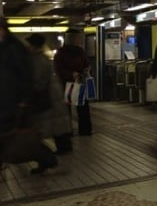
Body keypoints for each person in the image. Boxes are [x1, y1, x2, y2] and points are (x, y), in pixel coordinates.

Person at [0, 18, 58, 174]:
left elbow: (26, 75)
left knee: (20, 135)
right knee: (14, 134)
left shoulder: (14, 48)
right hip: (7, 99)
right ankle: (47, 158)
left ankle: (47, 158)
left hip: (15, 101)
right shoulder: (6, 46)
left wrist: (25, 99)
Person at [26, 33, 73, 155]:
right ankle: (65, 147)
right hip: (54, 95)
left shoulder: (37, 59)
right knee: (58, 124)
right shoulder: (43, 57)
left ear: (33, 45)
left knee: (52, 124)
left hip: (48, 96)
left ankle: (59, 150)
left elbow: (38, 80)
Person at [54, 28, 92, 136]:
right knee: (67, 109)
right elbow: (58, 68)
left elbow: (86, 63)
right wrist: (71, 74)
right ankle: (67, 131)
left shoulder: (80, 51)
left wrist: (87, 69)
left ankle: (85, 130)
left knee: (83, 107)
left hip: (79, 81)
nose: (78, 40)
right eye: (76, 38)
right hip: (66, 83)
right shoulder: (61, 52)